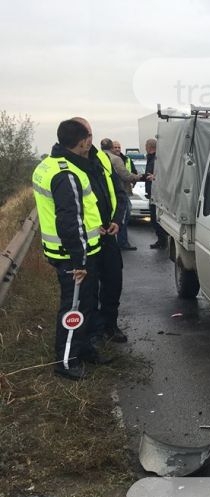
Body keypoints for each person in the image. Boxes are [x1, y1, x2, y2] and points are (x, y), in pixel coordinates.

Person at [31, 119, 109, 379]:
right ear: (84, 141)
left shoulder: (49, 165)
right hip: (73, 257)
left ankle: (83, 348)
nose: (91, 141)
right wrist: (80, 261)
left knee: (84, 304)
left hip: (72, 253)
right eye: (89, 137)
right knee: (73, 308)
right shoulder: (66, 174)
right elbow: (69, 221)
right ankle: (65, 362)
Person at [72, 118, 129, 344]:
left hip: (108, 236)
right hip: (84, 239)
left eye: (89, 134)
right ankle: (91, 331)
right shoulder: (67, 164)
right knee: (88, 289)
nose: (88, 139)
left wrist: (117, 220)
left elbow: (119, 194)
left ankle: (110, 325)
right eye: (84, 135)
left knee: (113, 281)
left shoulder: (103, 160)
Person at [102, 138, 140, 251]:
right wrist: (139, 177)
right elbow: (125, 176)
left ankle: (114, 241)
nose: (117, 149)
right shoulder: (116, 159)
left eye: (119, 147)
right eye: (115, 147)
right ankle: (122, 242)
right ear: (111, 148)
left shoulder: (98, 157)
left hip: (106, 193)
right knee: (123, 216)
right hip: (120, 192)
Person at [144, 138, 167, 249]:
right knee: (155, 219)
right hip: (153, 194)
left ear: (148, 147)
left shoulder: (155, 160)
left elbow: (163, 175)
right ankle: (162, 240)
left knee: (155, 219)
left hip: (156, 195)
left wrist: (154, 178)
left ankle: (162, 241)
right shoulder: (153, 159)